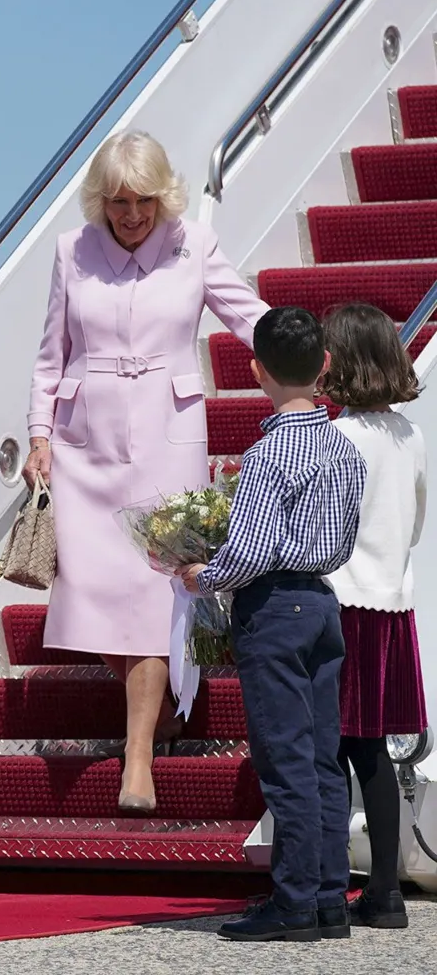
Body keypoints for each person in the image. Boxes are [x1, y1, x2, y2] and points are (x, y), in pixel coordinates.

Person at [24, 130, 267, 812]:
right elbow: (50, 355)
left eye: (144, 200)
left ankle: (138, 761)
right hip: (84, 443)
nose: (131, 215)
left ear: (164, 196)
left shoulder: (195, 245)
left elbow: (249, 316)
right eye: (118, 201)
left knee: (155, 592)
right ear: (100, 200)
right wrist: (39, 435)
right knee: (89, 589)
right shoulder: (71, 251)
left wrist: (306, 353)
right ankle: (157, 714)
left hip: (168, 437)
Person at [183, 306, 366, 942]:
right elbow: (344, 539)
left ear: (257, 370)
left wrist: (202, 574)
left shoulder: (268, 454)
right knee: (322, 758)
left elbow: (251, 550)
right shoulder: (343, 449)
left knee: (285, 759)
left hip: (274, 608)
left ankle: (294, 901)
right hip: (321, 602)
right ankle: (328, 896)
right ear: (325, 364)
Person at [321, 302, 426, 929]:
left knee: (330, 751)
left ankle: (326, 885)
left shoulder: (339, 436)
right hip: (391, 603)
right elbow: (415, 523)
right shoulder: (410, 435)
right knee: (374, 753)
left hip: (342, 600)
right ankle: (385, 890)